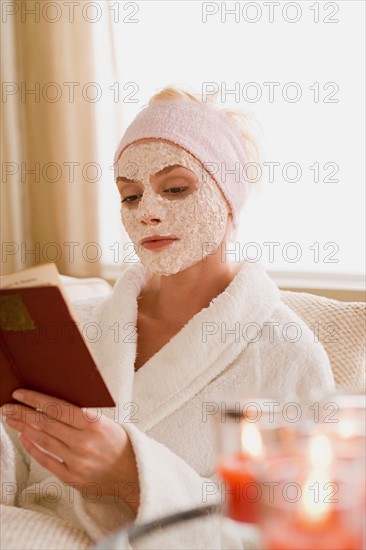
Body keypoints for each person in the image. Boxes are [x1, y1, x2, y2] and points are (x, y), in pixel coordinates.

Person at [0, 87, 335, 549]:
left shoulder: (285, 355)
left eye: (176, 188)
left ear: (229, 194)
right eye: (130, 196)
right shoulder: (73, 324)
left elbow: (294, 528)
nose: (148, 214)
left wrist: (131, 476)